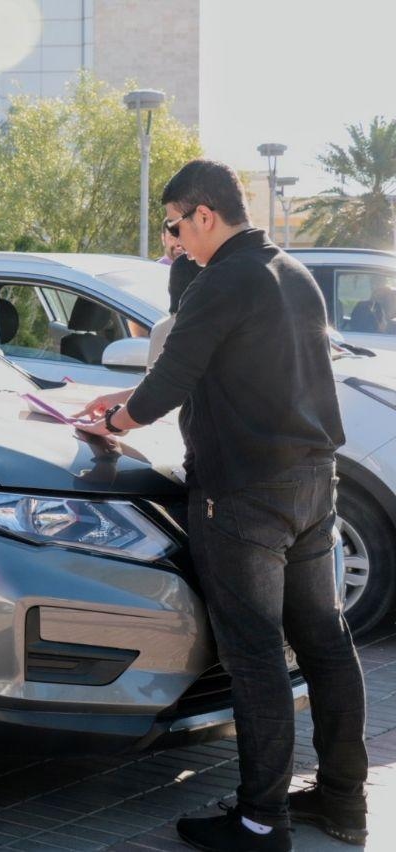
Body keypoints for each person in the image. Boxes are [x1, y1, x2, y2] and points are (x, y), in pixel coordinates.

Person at [74, 159, 368, 851]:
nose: (173, 242)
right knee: (325, 643)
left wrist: (113, 423)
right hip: (313, 483)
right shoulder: (289, 273)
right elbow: (218, 363)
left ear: (203, 214)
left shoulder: (224, 280)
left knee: (256, 656)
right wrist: (124, 399)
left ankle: (261, 820)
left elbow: (171, 378)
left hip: (244, 494)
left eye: (175, 227)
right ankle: (343, 801)